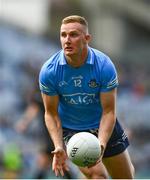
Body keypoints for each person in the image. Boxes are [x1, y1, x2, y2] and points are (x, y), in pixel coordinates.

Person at [39, 15, 135, 179]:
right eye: (63, 35)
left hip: (103, 124)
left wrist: (102, 144)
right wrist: (58, 146)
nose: (67, 40)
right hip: (73, 131)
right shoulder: (50, 71)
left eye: (74, 34)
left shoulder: (104, 66)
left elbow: (109, 112)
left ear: (87, 38)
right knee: (98, 176)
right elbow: (51, 113)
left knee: (125, 177)